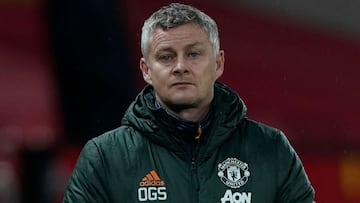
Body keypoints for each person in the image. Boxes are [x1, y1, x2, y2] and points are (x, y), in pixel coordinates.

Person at [63, 3, 315, 203]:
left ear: (218, 64)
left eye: (193, 54)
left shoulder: (271, 150)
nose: (181, 67)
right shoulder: (105, 158)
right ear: (146, 70)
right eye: (166, 56)